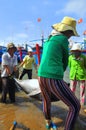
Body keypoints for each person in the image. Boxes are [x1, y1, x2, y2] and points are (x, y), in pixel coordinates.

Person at [38, 16, 80, 130]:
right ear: (68, 31)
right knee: (75, 106)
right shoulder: (63, 39)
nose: (71, 36)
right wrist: (60, 74)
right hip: (53, 76)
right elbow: (65, 60)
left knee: (46, 100)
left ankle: (48, 122)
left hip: (41, 75)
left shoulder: (49, 39)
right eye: (71, 33)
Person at [68, 43, 86, 108]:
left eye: (77, 51)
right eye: (74, 51)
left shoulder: (83, 57)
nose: (75, 52)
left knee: (82, 91)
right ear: (72, 51)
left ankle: (82, 104)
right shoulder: (70, 57)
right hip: (73, 76)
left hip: (82, 76)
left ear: (79, 51)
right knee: (72, 90)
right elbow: (70, 66)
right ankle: (72, 103)